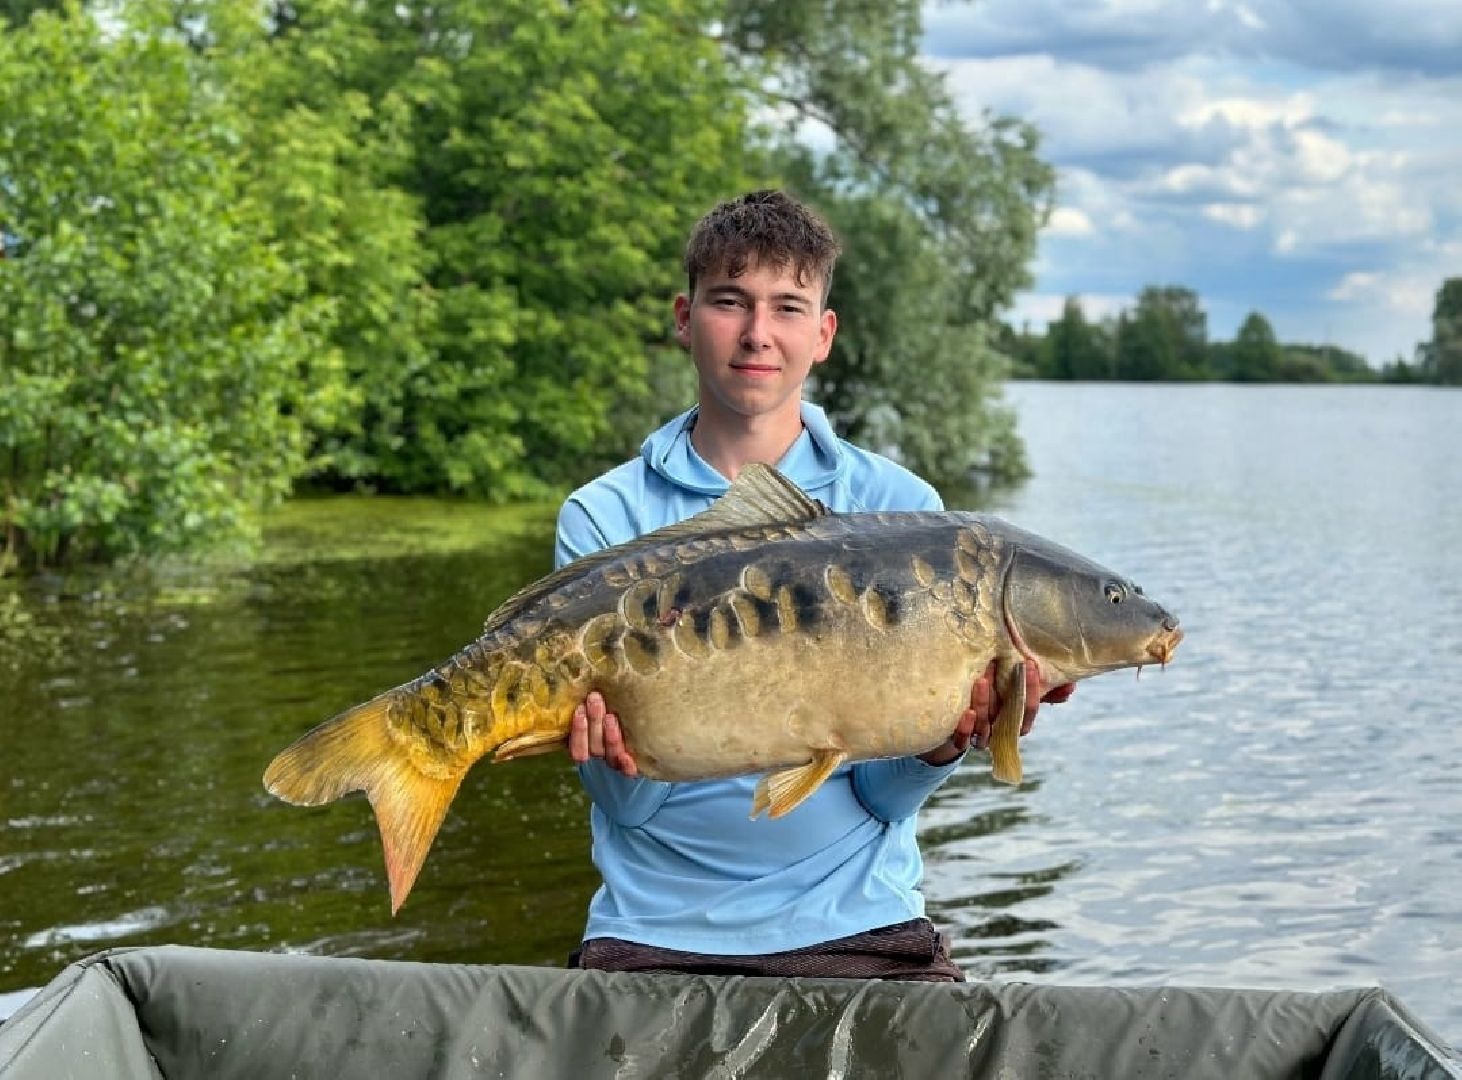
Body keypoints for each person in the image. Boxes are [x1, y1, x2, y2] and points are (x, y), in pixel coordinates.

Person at [553, 189, 1072, 981]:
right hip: (652, 933)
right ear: (685, 317)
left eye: (788, 307)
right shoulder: (604, 516)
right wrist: (609, 757)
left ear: (822, 333)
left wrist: (943, 742)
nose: (759, 334)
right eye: (731, 302)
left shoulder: (908, 513)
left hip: (864, 927)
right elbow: (627, 810)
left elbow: (883, 802)